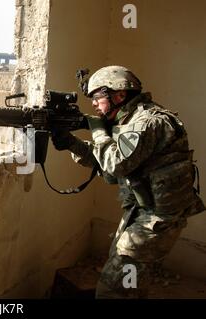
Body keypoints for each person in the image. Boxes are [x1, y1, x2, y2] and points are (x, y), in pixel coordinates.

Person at [52, 65, 205, 298]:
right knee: (127, 283)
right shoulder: (127, 121)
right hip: (141, 213)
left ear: (120, 95)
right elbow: (110, 169)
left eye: (97, 97)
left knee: (114, 290)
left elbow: (116, 164)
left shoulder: (147, 122)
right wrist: (72, 144)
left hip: (157, 220)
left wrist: (96, 130)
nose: (93, 104)